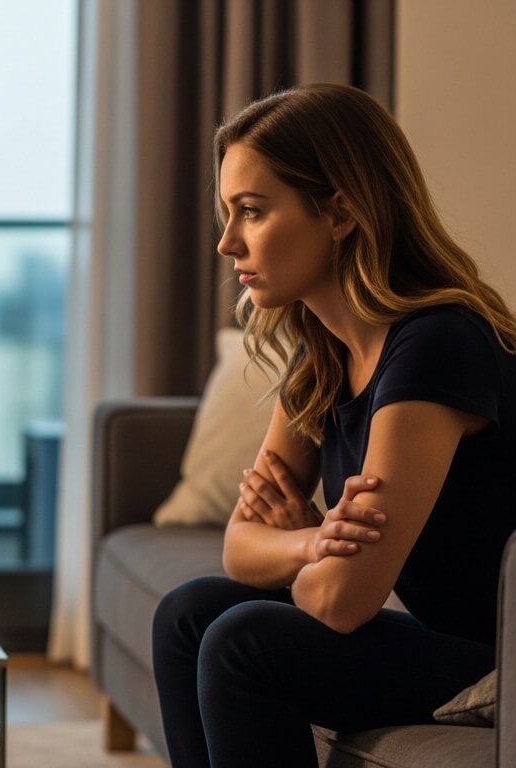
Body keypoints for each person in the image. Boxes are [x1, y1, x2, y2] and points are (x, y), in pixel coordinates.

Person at [151, 83, 516, 767]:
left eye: (252, 212)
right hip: (450, 645)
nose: (228, 242)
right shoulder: (322, 357)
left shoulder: (436, 345)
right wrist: (314, 540)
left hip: (503, 665)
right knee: (189, 612)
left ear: (340, 210)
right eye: (229, 215)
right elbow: (238, 546)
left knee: (246, 639)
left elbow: (344, 601)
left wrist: (298, 550)